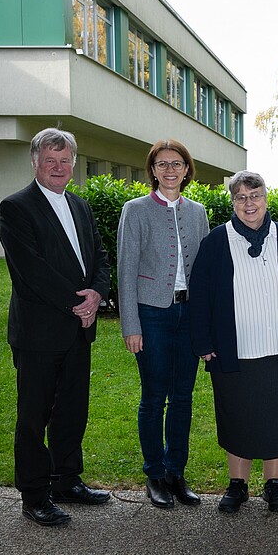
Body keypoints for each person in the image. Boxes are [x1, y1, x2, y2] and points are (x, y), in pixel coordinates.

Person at [0, 128, 112, 526]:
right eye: (51, 160)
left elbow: (99, 255)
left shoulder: (80, 205)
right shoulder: (15, 208)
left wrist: (97, 294)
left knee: (71, 411)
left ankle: (66, 480)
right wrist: (77, 303)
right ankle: (34, 494)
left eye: (65, 161)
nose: (59, 167)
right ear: (35, 163)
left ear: (74, 164)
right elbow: (31, 271)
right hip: (39, 333)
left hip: (78, 330)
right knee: (34, 416)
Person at [189, 171, 278, 514]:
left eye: (256, 195)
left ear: (266, 197)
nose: (249, 203)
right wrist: (202, 342)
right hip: (232, 349)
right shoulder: (217, 240)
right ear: (232, 202)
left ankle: (274, 485)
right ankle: (238, 485)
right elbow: (200, 295)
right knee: (236, 415)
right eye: (241, 197)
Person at [117, 139, 209, 509]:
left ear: (187, 170)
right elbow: (126, 271)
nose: (170, 170)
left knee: (183, 397)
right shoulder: (135, 210)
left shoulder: (199, 211)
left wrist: (207, 325)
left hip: (189, 315)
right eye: (162, 164)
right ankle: (154, 473)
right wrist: (130, 325)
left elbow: (204, 273)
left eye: (177, 163)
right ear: (152, 170)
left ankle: (176, 472)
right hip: (152, 313)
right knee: (154, 396)